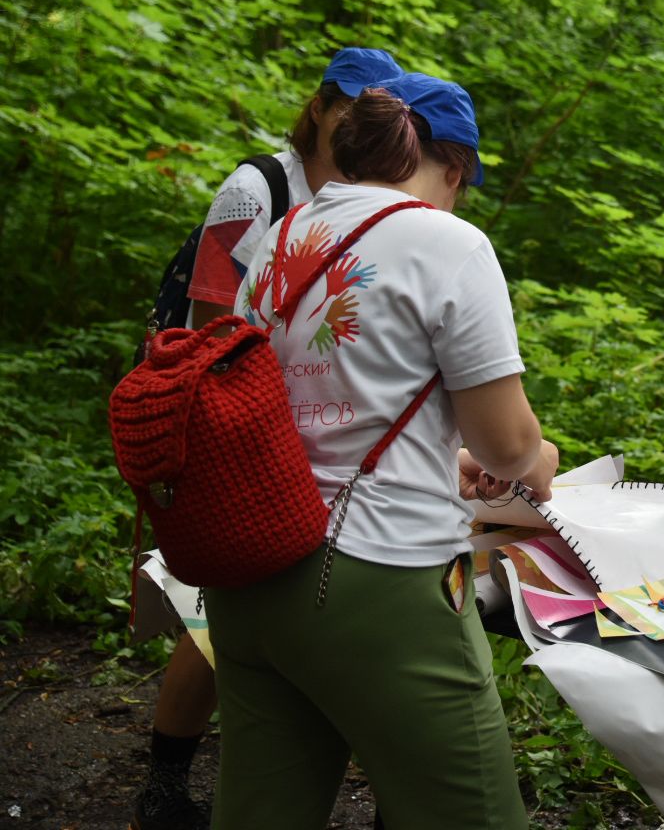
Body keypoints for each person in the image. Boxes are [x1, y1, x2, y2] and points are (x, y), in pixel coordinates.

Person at [206, 73, 558, 830]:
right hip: (377, 581)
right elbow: (507, 441)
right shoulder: (449, 242)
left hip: (250, 577)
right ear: (454, 168)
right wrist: (535, 459)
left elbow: (295, 407)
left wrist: (443, 455)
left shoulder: (281, 239)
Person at [132, 46, 401, 830]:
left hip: (298, 419)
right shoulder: (259, 186)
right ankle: (163, 785)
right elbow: (215, 314)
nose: (355, 115)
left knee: (261, 602)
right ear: (319, 106)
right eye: (344, 101)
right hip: (225, 414)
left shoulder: (360, 194)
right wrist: (261, 417)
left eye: (372, 105)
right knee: (223, 605)